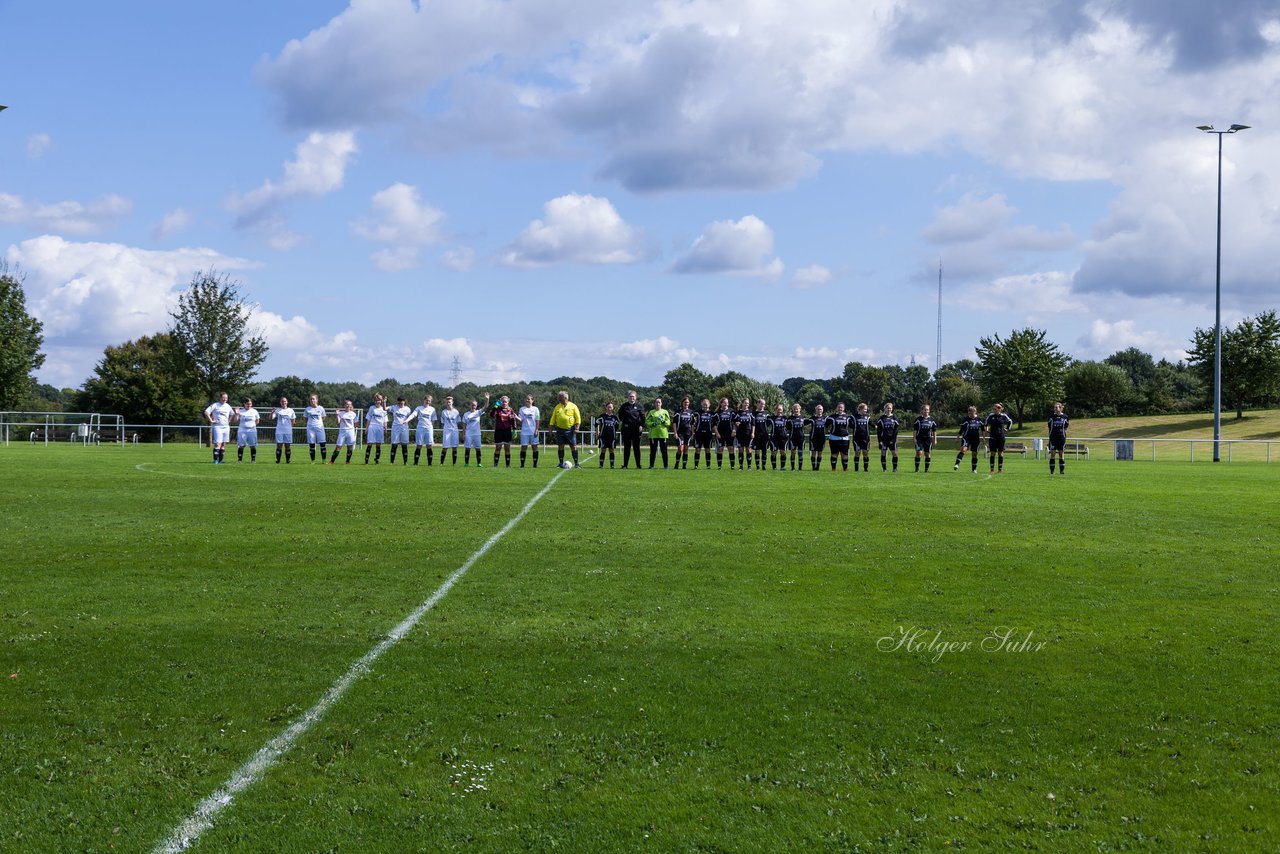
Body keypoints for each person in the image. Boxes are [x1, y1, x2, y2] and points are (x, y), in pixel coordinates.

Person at [548, 390, 582, 467]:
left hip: (570, 430)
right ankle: (560, 463)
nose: (559, 399)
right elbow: (553, 419)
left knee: (573, 446)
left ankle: (576, 463)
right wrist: (550, 429)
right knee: (560, 446)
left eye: (560, 398)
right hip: (560, 429)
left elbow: (578, 418)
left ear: (565, 398)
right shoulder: (557, 407)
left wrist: (577, 428)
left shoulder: (573, 406)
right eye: (559, 398)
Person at [618, 390, 644, 469]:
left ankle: (638, 465)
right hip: (626, 430)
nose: (631, 398)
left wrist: (641, 426)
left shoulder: (639, 406)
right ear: (628, 397)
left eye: (633, 396)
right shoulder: (624, 406)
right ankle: (625, 465)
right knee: (627, 448)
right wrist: (626, 422)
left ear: (635, 397)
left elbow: (643, 417)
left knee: (636, 448)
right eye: (630, 396)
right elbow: (620, 416)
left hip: (636, 430)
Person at [954, 405, 985, 472]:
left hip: (976, 439)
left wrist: (983, 438)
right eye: (969, 413)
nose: (970, 414)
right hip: (966, 437)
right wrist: (958, 438)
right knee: (963, 449)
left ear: (975, 412)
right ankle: (957, 464)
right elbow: (961, 430)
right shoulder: (966, 419)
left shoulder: (979, 419)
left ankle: (974, 469)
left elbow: (983, 429)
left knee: (974, 454)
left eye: (971, 413)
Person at [462, 393, 490, 466]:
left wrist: (487, 400)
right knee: (467, 449)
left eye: (474, 405)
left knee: (478, 449)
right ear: (470, 405)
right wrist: (463, 434)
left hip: (477, 434)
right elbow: (464, 425)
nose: (473, 406)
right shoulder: (466, 414)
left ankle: (479, 463)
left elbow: (486, 407)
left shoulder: (478, 412)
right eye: (472, 404)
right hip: (468, 434)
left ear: (476, 406)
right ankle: (466, 463)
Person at [204, 392, 232, 464]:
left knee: (223, 444)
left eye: (226, 398)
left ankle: (221, 460)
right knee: (218, 444)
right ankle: (215, 460)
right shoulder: (215, 405)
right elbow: (206, 412)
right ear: (220, 398)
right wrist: (211, 420)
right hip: (217, 427)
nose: (225, 399)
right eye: (223, 398)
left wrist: (228, 421)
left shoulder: (228, 406)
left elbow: (232, 414)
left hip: (226, 427)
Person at [985, 402, 1014, 473]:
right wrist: (986, 429)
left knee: (1000, 453)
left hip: (1001, 437)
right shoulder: (991, 416)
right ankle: (992, 470)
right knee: (992, 453)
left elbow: (1010, 421)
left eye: (998, 407)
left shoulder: (1004, 416)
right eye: (994, 407)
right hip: (992, 437)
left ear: (1001, 409)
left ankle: (1000, 470)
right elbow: (985, 423)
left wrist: (1007, 428)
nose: (995, 408)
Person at [491, 395, 518, 467]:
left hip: (507, 431)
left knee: (507, 449)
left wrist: (514, 429)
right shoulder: (497, 409)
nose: (504, 403)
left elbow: (513, 420)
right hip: (499, 431)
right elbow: (492, 415)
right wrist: (495, 406)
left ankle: (508, 465)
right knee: (498, 448)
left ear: (508, 402)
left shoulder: (510, 410)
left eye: (505, 402)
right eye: (502, 401)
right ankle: (495, 465)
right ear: (500, 402)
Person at [646, 396, 672, 469]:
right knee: (653, 451)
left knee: (664, 451)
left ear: (661, 403)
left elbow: (668, 422)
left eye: (659, 402)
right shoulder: (651, 412)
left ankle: (666, 466)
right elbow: (647, 421)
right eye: (656, 402)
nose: (658, 404)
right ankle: (651, 465)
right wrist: (652, 424)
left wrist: (663, 421)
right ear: (654, 403)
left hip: (663, 434)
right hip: (653, 434)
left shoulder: (665, 412)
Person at [825, 402, 853, 471]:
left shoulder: (848, 417)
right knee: (834, 454)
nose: (840, 408)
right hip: (834, 438)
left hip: (845, 438)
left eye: (841, 407)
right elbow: (825, 425)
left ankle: (845, 469)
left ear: (844, 408)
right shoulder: (832, 417)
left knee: (845, 454)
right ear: (836, 408)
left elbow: (853, 426)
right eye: (839, 407)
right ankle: (833, 469)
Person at [411, 394, 437, 466]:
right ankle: (415, 463)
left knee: (429, 446)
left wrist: (429, 426)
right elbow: (414, 414)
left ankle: (429, 463)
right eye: (426, 400)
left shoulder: (432, 409)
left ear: (431, 401)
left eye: (429, 401)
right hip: (420, 428)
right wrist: (407, 420)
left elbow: (433, 420)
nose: (428, 402)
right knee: (419, 445)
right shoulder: (419, 408)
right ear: (424, 400)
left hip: (428, 429)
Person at [233, 397, 260, 463]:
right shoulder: (240, 411)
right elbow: (235, 421)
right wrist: (236, 414)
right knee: (241, 446)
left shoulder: (254, 411)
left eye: (250, 404)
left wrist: (252, 426)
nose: (249, 405)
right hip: (242, 430)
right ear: (244, 404)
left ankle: (253, 460)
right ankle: (240, 460)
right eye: (248, 404)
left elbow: (257, 421)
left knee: (253, 446)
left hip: (252, 431)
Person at [875, 402, 901, 472]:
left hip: (892, 439)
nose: (889, 409)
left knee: (894, 453)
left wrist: (893, 439)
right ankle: (884, 469)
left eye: (890, 408)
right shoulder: (881, 418)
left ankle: (894, 468)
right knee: (883, 453)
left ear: (892, 409)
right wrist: (879, 440)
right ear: (885, 408)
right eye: (887, 408)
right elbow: (879, 430)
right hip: (884, 439)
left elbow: (896, 430)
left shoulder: (894, 418)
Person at [912, 404, 938, 472]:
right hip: (919, 439)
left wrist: (935, 439)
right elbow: (915, 430)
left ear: (929, 411)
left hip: (928, 439)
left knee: (927, 454)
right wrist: (914, 438)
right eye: (925, 409)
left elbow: (934, 430)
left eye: (927, 409)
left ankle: (926, 470)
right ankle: (917, 468)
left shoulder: (932, 420)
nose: (926, 411)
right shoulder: (918, 419)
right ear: (922, 410)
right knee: (919, 453)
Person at [518, 394, 541, 468]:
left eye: (529, 399)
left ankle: (535, 464)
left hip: (533, 431)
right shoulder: (522, 409)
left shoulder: (536, 409)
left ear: (532, 400)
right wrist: (515, 416)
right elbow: (520, 419)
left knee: (534, 447)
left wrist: (537, 429)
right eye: (527, 399)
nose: (528, 400)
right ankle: (522, 465)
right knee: (524, 447)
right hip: (524, 431)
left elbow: (537, 420)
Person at [672, 397, 695, 469]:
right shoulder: (678, 412)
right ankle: (677, 463)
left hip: (688, 433)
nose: (686, 404)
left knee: (686, 449)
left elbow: (692, 424)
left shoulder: (691, 412)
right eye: (685, 402)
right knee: (680, 449)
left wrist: (693, 433)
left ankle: (684, 465)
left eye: (687, 402)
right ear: (682, 403)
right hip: (680, 433)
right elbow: (674, 423)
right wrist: (675, 432)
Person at [1047, 402, 1070, 475]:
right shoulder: (1051, 417)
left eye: (1057, 407)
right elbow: (1049, 426)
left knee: (1061, 453)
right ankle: (1052, 471)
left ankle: (1061, 471)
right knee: (1052, 454)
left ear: (1061, 408)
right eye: (1055, 407)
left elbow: (1066, 427)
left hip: (1061, 438)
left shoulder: (1065, 417)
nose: (1056, 409)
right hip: (1053, 438)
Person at [272, 396, 296, 464]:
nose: (283, 402)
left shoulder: (291, 410)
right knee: (279, 445)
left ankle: (288, 460)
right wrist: (272, 412)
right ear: (280, 402)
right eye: (282, 401)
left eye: (285, 401)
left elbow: (293, 420)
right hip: (279, 430)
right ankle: (278, 460)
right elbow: (271, 418)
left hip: (288, 430)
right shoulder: (277, 410)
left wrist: (290, 426)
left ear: (287, 402)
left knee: (287, 445)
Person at [595, 401, 620, 468]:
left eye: (611, 407)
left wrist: (613, 433)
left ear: (613, 408)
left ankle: (612, 465)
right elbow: (596, 424)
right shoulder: (602, 416)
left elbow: (617, 427)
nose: (609, 408)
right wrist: (597, 434)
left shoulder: (615, 417)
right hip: (603, 436)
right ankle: (601, 465)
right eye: (608, 407)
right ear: (606, 407)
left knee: (611, 450)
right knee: (603, 450)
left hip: (612, 437)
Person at [365, 393, 388, 464]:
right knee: (370, 443)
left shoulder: (383, 409)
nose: (378, 401)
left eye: (379, 400)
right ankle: (366, 459)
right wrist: (366, 428)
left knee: (378, 444)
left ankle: (377, 459)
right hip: (372, 426)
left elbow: (385, 420)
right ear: (375, 400)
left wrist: (385, 428)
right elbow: (368, 419)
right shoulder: (371, 408)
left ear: (381, 401)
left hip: (380, 427)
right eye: (377, 400)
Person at [713, 397, 736, 469]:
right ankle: (719, 466)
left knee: (731, 448)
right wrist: (717, 433)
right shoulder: (717, 413)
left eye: (727, 403)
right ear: (721, 404)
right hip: (720, 434)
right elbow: (713, 424)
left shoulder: (732, 412)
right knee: (720, 449)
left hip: (730, 434)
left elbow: (735, 422)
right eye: (724, 403)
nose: (726, 404)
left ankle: (732, 466)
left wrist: (734, 431)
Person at [304, 394, 327, 462]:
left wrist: (318, 423)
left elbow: (323, 417)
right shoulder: (307, 409)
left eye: (313, 399)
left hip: (320, 428)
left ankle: (324, 460)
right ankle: (313, 461)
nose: (312, 400)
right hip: (310, 429)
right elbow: (305, 419)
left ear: (317, 400)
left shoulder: (321, 408)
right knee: (312, 445)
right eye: (311, 399)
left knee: (322, 444)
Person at [389, 396, 412, 464]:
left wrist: (406, 421)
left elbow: (409, 417)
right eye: (399, 402)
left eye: (402, 401)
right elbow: (385, 409)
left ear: (404, 402)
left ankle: (405, 462)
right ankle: (392, 462)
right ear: (398, 402)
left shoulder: (407, 409)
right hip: (395, 428)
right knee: (394, 444)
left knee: (404, 444)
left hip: (404, 428)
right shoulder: (394, 407)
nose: (401, 403)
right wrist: (384, 402)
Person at [693, 398, 715, 469]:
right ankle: (696, 465)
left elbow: (715, 424)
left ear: (709, 404)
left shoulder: (712, 413)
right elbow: (692, 422)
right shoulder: (697, 412)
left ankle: (708, 466)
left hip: (708, 434)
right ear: (701, 404)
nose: (705, 405)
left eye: (706, 404)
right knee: (697, 449)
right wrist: (692, 431)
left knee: (707, 449)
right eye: (704, 404)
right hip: (698, 434)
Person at [438, 396, 461, 465]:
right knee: (445, 447)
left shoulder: (456, 412)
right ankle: (441, 463)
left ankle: (454, 464)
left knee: (454, 447)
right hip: (447, 431)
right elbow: (442, 422)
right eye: (447, 402)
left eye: (450, 402)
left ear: (452, 402)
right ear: (446, 403)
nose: (448, 403)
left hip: (454, 430)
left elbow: (458, 421)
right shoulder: (443, 412)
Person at [734, 397, 754, 470]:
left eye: (747, 403)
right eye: (745, 403)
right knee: (740, 450)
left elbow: (753, 424)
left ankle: (749, 467)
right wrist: (736, 424)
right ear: (742, 403)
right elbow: (734, 422)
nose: (746, 404)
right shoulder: (738, 413)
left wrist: (753, 433)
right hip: (740, 434)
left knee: (748, 449)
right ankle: (741, 467)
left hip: (748, 433)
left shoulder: (751, 413)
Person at [851, 403, 873, 472]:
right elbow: (848, 423)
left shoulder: (867, 416)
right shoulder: (853, 416)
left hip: (866, 438)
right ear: (860, 409)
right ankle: (856, 469)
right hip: (857, 438)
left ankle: (865, 469)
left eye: (866, 409)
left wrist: (876, 426)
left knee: (865, 453)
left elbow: (871, 423)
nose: (866, 411)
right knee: (857, 452)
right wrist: (854, 427)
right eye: (865, 409)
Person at [751, 398, 771, 471]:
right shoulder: (753, 413)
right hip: (756, 435)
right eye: (761, 404)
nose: (763, 405)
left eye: (764, 404)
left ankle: (763, 466)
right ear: (758, 404)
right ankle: (757, 467)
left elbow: (769, 423)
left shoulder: (767, 413)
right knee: (756, 450)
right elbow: (752, 423)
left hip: (765, 435)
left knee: (764, 450)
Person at [768, 404, 789, 470]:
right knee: (774, 452)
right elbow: (765, 425)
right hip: (774, 438)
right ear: (775, 409)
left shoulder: (785, 418)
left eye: (780, 409)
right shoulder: (771, 418)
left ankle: (782, 467)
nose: (779, 410)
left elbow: (790, 426)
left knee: (783, 452)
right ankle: (774, 467)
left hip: (783, 438)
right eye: (778, 409)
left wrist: (785, 431)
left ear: (782, 410)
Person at [787, 403, 806, 471]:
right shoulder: (790, 418)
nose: (796, 410)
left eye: (797, 409)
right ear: (793, 410)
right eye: (794, 409)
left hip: (801, 438)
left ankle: (800, 468)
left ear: (800, 409)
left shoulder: (803, 418)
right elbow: (787, 427)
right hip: (792, 438)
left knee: (800, 453)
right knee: (793, 452)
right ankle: (792, 468)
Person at [807, 404, 826, 470]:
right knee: (813, 452)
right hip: (813, 438)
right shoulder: (812, 418)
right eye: (818, 409)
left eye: (820, 409)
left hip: (822, 438)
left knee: (820, 452)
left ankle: (817, 467)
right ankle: (813, 467)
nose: (819, 411)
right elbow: (803, 423)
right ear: (816, 410)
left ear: (822, 410)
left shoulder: (825, 418)